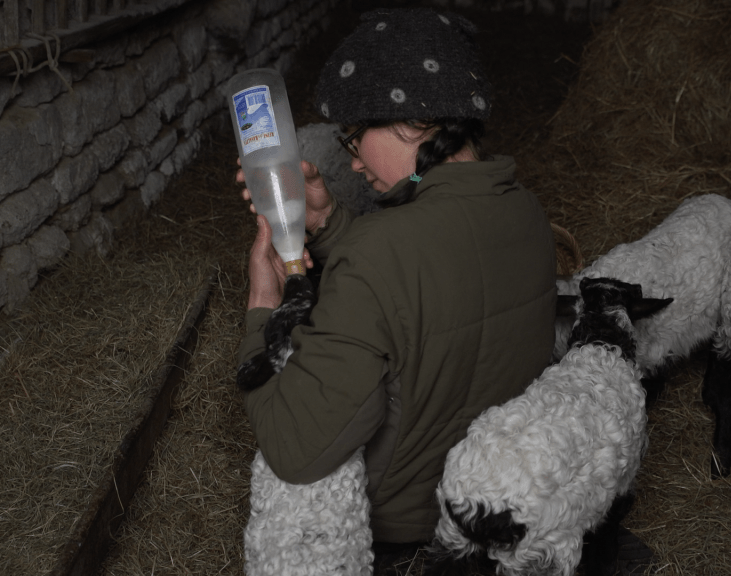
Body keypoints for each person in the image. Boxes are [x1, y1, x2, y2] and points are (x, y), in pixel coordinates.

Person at [235, 6, 557, 559]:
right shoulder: (528, 213)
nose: (354, 163)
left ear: (413, 122)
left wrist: (261, 312)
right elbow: (430, 280)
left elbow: (297, 448)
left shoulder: (378, 252)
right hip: (492, 503)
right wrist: (329, 223)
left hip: (406, 521)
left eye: (353, 137)